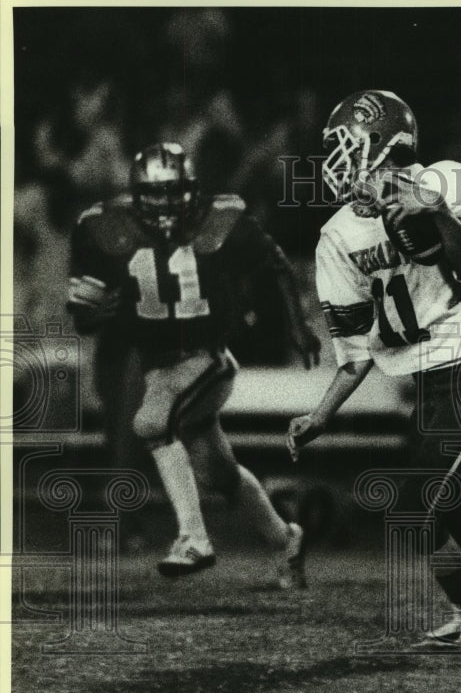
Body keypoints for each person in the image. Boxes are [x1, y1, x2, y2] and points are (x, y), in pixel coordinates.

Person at [286, 90, 461, 648]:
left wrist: (436, 214)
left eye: (346, 146)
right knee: (448, 519)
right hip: (425, 384)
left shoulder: (449, 180)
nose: (337, 161)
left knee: (422, 509)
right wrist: (321, 414)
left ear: (382, 139)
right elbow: (354, 350)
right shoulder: (338, 234)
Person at [66, 142, 321, 586]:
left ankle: (193, 538)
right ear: (137, 194)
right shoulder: (104, 227)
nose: (165, 203)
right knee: (220, 475)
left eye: (173, 192)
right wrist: (92, 310)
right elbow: (86, 316)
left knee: (150, 422)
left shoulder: (220, 221)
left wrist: (297, 328)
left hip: (208, 358)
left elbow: (276, 266)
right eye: (155, 194)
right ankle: (287, 539)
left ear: (191, 190)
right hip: (159, 366)